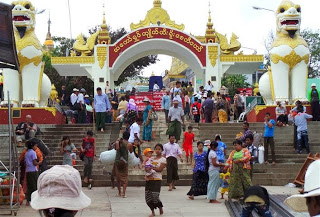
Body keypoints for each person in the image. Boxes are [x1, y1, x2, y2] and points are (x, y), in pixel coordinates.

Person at [145, 144, 166, 217]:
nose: (157, 150)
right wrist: (147, 168)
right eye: (156, 149)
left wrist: (152, 167)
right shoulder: (151, 159)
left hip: (157, 179)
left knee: (155, 196)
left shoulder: (163, 159)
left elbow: (160, 169)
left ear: (161, 150)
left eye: (159, 149)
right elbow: (147, 168)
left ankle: (160, 206)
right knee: (148, 196)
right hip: (150, 179)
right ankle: (153, 212)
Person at [115, 132, 132, 198]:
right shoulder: (129, 144)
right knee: (125, 178)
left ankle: (119, 192)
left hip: (117, 162)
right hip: (124, 162)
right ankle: (124, 193)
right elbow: (131, 151)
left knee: (118, 178)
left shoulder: (118, 143)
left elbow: (116, 149)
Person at [25, 140, 40, 206]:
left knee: (29, 185)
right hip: (33, 170)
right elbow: (34, 163)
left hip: (28, 170)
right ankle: (35, 200)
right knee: (35, 185)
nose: (36, 147)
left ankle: (28, 200)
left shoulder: (26, 153)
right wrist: (39, 163)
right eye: (35, 146)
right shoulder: (33, 153)